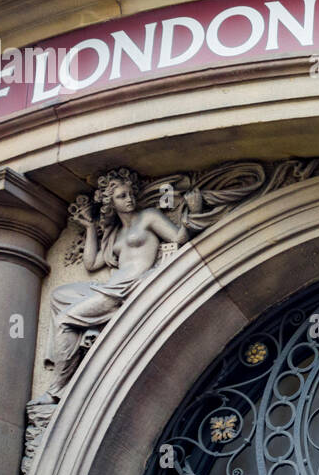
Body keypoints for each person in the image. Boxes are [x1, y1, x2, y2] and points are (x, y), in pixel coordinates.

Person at [33, 168, 197, 405]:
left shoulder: (149, 216)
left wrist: (194, 210)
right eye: (122, 196)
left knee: (65, 320)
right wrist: (90, 227)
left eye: (130, 193)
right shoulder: (115, 234)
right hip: (111, 286)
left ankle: (57, 388)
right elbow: (91, 263)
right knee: (59, 294)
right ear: (111, 202)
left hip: (128, 289)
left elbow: (178, 238)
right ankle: (86, 336)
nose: (129, 199)